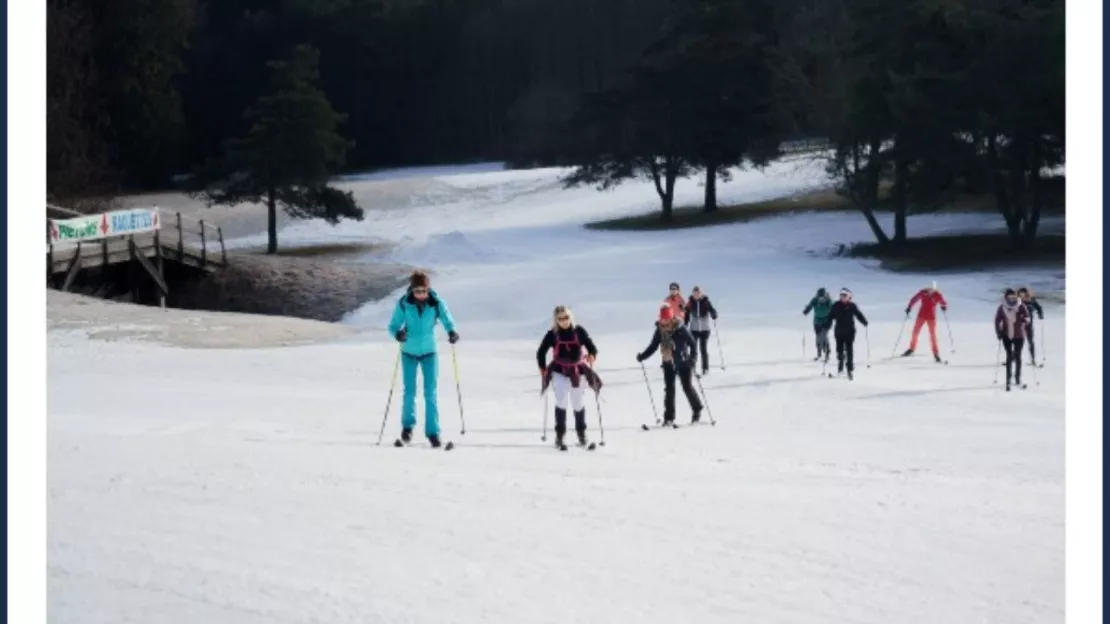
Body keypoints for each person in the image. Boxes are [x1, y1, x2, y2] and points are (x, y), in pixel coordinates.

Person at [387, 270, 459, 447]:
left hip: (429, 352)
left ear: (429, 289)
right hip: (409, 352)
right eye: (417, 291)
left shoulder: (436, 303)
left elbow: (447, 319)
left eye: (424, 291)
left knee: (430, 393)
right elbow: (393, 325)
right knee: (409, 392)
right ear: (411, 290)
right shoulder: (404, 304)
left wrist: (452, 331)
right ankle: (407, 428)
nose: (420, 295)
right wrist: (398, 334)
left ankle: (433, 433)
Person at [536, 305, 601, 449]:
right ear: (556, 320)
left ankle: (582, 434)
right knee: (562, 400)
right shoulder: (552, 334)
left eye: (566, 317)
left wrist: (591, 355)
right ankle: (560, 436)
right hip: (559, 371)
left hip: (577, 372)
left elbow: (592, 347)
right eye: (560, 319)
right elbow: (541, 352)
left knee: (578, 402)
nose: (564, 321)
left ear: (570, 317)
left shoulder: (579, 331)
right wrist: (542, 368)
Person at [637, 304, 703, 425]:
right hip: (668, 362)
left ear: (671, 317)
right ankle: (669, 418)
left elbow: (692, 343)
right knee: (669, 390)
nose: (664, 321)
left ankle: (697, 410)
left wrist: (693, 359)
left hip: (683, 361)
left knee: (687, 387)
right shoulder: (659, 330)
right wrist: (643, 356)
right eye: (662, 318)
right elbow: (653, 346)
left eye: (666, 318)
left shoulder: (680, 327)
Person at [824, 288, 868, 380]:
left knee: (849, 349)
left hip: (850, 331)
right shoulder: (836, 305)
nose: (843, 297)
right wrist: (827, 325)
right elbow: (830, 317)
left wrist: (864, 321)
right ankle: (840, 366)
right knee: (839, 350)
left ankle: (850, 369)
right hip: (839, 331)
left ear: (849, 297)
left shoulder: (852, 306)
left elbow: (858, 314)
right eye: (841, 295)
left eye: (845, 296)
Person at [902, 281, 948, 363]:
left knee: (932, 335)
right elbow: (914, 299)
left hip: (931, 318)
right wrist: (909, 307)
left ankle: (936, 353)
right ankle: (911, 349)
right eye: (929, 289)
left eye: (932, 289)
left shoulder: (937, 294)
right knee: (915, 332)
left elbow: (943, 302)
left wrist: (944, 306)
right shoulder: (923, 293)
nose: (930, 291)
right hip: (921, 316)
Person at [994, 288, 1030, 390]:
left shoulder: (1021, 306)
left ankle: (1018, 378)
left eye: (1013, 297)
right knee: (1009, 356)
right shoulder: (1002, 308)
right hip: (1006, 335)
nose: (1011, 299)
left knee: (1018, 356)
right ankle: (1008, 380)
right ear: (1006, 297)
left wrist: (1024, 319)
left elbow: (1027, 318)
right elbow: (997, 321)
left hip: (1019, 335)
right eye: (1009, 297)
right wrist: (998, 332)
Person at [684, 285, 718, 374]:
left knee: (703, 349)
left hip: (705, 329)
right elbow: (686, 315)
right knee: (693, 349)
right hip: (694, 329)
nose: (696, 294)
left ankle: (705, 368)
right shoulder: (690, 302)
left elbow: (712, 310)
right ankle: (692, 367)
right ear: (693, 293)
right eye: (695, 293)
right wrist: (685, 324)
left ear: (701, 293)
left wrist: (714, 314)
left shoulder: (706, 301)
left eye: (698, 293)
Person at [802, 287, 833, 362]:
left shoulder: (829, 301)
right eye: (820, 297)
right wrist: (806, 311)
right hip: (817, 321)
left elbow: (834, 309)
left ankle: (827, 354)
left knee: (824, 336)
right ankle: (819, 353)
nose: (821, 299)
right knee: (818, 337)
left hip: (826, 320)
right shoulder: (815, 300)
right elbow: (810, 306)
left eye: (822, 297)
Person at [1016, 287, 1044, 365]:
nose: (1021, 296)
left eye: (1023, 294)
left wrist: (1040, 314)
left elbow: (1039, 308)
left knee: (1030, 341)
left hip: (1029, 324)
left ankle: (1033, 360)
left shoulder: (1031, 300)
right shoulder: (1016, 302)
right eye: (1020, 295)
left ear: (1026, 294)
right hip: (1018, 325)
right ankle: (1014, 358)